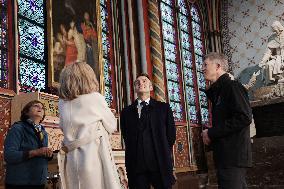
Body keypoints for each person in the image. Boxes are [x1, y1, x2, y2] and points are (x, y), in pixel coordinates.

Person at [57, 61, 121, 189]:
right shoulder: (95, 98)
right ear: (88, 77)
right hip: (92, 156)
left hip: (71, 159)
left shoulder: (62, 103)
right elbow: (112, 125)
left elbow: (63, 127)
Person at [202, 52, 252, 189]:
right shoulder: (221, 90)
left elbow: (244, 117)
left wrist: (211, 133)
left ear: (218, 66)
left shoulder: (232, 86)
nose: (202, 68)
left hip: (233, 156)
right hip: (226, 156)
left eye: (206, 64)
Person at [120, 73, 176, 189]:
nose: (141, 83)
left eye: (144, 81)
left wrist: (160, 148)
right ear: (135, 88)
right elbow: (126, 136)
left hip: (159, 162)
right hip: (137, 164)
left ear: (151, 87)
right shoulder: (126, 112)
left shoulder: (164, 108)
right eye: (137, 82)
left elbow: (171, 135)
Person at [4, 100, 53, 189]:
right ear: (26, 112)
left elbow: (41, 154)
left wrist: (48, 154)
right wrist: (35, 152)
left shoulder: (44, 132)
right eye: (36, 106)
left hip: (39, 182)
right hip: (20, 182)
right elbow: (9, 155)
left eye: (42, 108)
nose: (40, 108)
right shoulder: (18, 128)